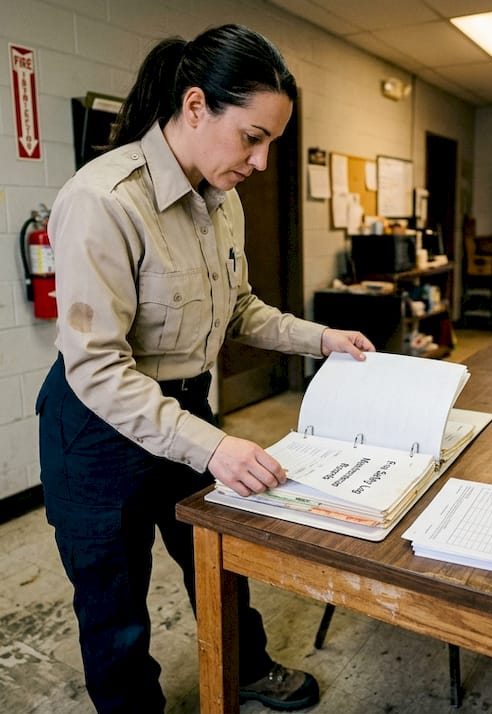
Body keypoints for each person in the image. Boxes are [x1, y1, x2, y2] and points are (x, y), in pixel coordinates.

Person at [35, 23, 374, 713]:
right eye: (253, 137)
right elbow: (97, 368)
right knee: (115, 605)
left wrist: (322, 339)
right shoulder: (104, 200)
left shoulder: (222, 203)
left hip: (187, 410)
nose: (260, 161)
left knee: (220, 560)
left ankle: (246, 667)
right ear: (196, 106)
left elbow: (240, 309)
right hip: (100, 430)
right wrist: (213, 446)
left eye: (271, 142)